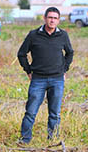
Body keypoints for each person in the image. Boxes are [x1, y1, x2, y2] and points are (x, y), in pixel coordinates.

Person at [17, 7, 74, 144]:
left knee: (54, 114)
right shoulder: (34, 35)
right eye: (50, 17)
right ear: (44, 18)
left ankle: (52, 140)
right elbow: (21, 54)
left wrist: (64, 69)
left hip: (57, 79)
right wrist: (28, 70)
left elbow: (70, 53)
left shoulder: (63, 35)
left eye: (55, 18)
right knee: (30, 112)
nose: (52, 20)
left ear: (58, 20)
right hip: (38, 79)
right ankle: (25, 140)